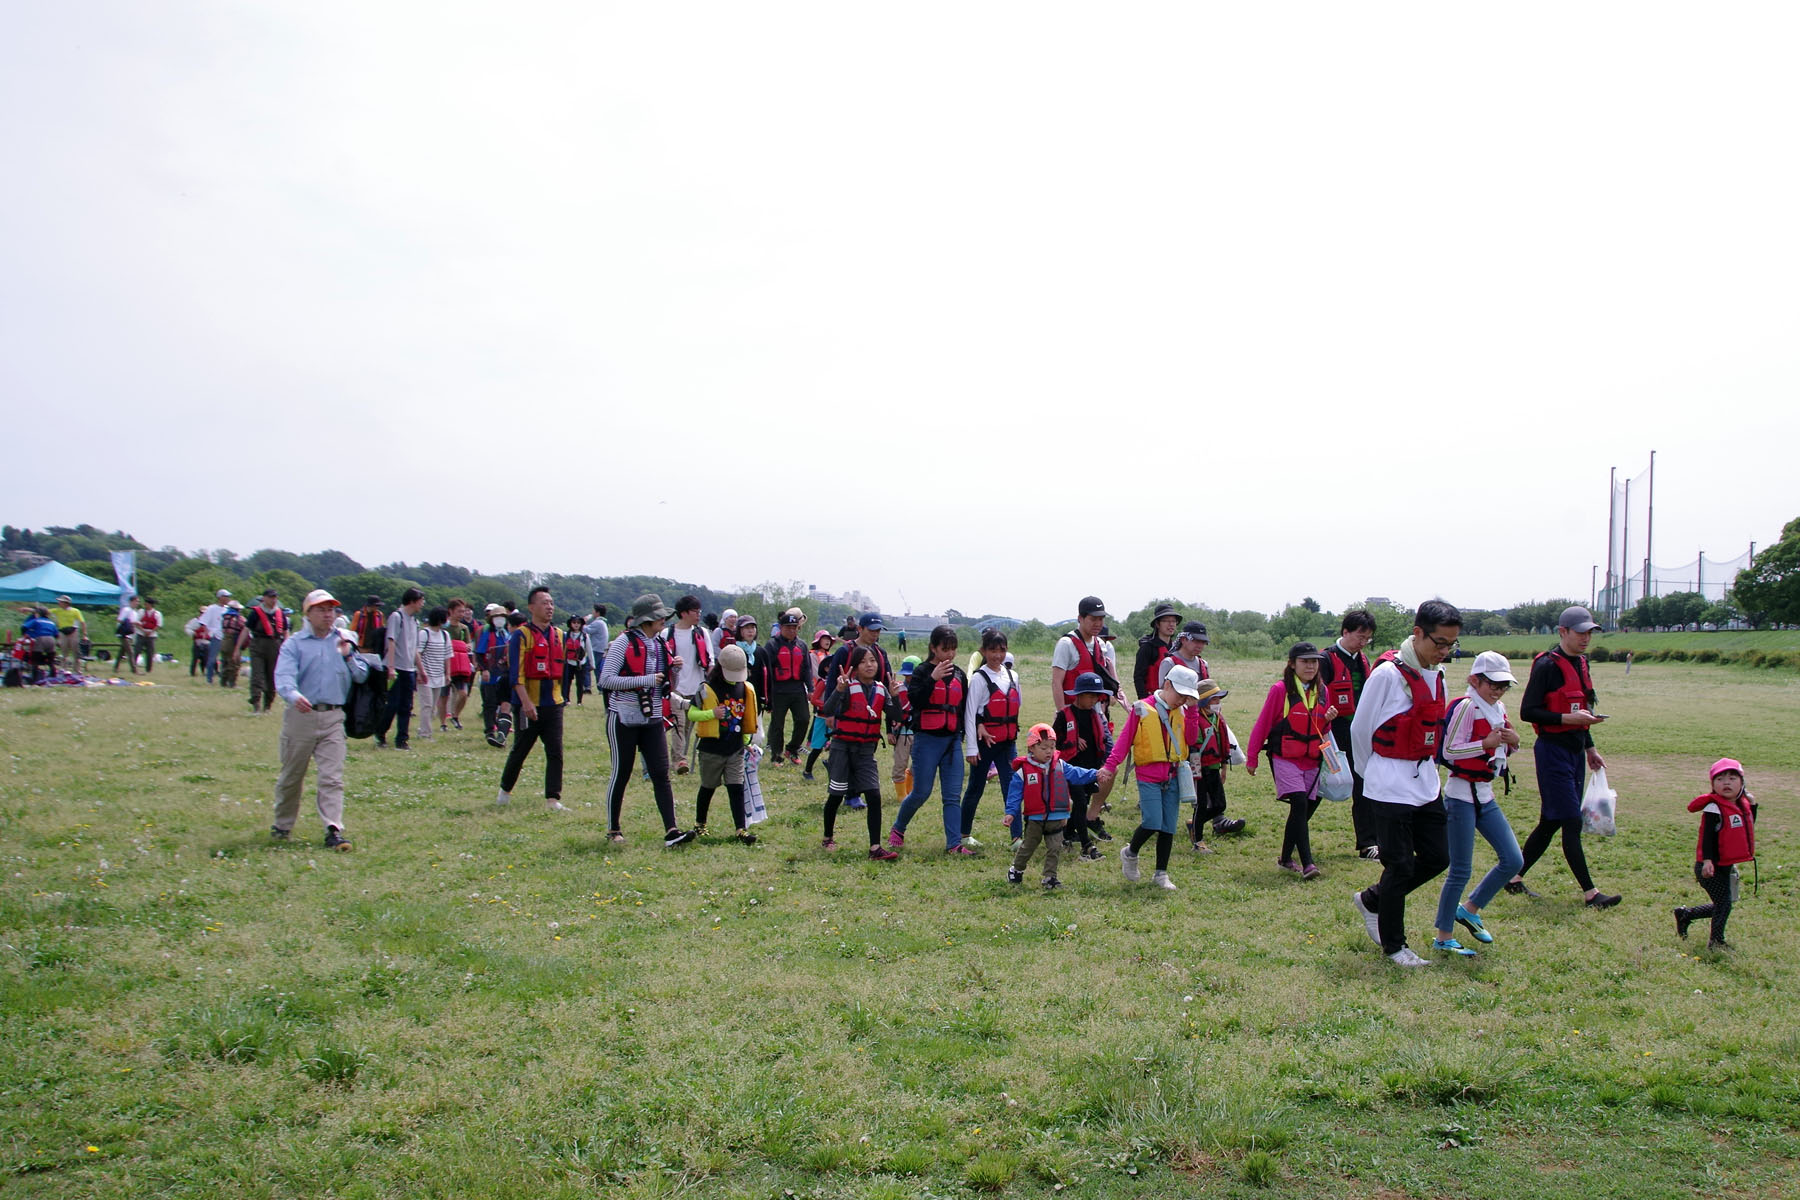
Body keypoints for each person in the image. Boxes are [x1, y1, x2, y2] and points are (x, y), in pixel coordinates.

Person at [1349, 600, 1458, 967]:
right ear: (1417, 633)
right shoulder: (1387, 675)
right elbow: (1360, 730)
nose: (1443, 651)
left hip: (1425, 780)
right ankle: (1395, 946)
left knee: (1438, 857)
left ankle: (1373, 899)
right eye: (1439, 643)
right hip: (1388, 780)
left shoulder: (1437, 673)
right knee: (1400, 866)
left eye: (1450, 645)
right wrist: (1372, 776)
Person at [1506, 605, 1621, 908]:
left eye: (1589, 632)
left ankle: (1513, 877)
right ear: (1563, 632)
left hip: (1575, 751)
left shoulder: (1582, 663)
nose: (1586, 638)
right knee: (1571, 820)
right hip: (1552, 751)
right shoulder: (1547, 665)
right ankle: (1591, 894)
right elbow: (1528, 711)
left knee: (1550, 821)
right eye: (1580, 632)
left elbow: (1582, 710)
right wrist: (1566, 720)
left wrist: (1590, 747)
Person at [1430, 651, 1525, 957]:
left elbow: (1501, 752)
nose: (1497, 690)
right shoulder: (1465, 706)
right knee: (1460, 869)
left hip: (1485, 795)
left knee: (1513, 860)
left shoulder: (1497, 709)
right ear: (1475, 680)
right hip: (1460, 796)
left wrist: (1514, 741)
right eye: (1492, 684)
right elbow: (1448, 751)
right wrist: (1485, 744)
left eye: (1503, 685)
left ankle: (1469, 909)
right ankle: (1443, 936)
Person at [270, 590, 369, 852]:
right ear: (308, 613)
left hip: (333, 716)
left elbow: (361, 676)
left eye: (332, 609)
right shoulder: (294, 644)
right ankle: (282, 824)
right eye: (321, 609)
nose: (328, 615)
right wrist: (293, 695)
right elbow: (284, 678)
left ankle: (333, 829)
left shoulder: (343, 640)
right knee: (292, 776)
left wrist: (349, 655)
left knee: (332, 777)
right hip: (301, 716)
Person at [598, 593, 694, 848]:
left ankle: (672, 830)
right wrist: (645, 680)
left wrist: (673, 670)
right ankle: (613, 829)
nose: (664, 619)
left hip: (652, 717)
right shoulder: (622, 643)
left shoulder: (659, 644)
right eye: (659, 616)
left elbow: (662, 685)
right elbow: (605, 680)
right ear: (647, 619)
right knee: (621, 773)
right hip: (623, 718)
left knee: (661, 773)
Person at [1096, 665, 1202, 890]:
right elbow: (1124, 741)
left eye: (1187, 697)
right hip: (1148, 776)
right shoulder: (1141, 709)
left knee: (1168, 827)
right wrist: (1109, 767)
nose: (1182, 700)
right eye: (1180, 695)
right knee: (1152, 821)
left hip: (1173, 775)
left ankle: (1161, 874)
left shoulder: (1184, 711)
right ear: (1166, 685)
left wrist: (1192, 711)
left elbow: (1192, 739)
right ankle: (1130, 853)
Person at [1245, 643, 1338, 879]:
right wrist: (1252, 757)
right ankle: (1308, 864)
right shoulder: (1280, 690)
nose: (1310, 666)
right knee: (1298, 803)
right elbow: (1263, 724)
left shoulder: (1323, 691)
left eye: (1314, 661)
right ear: (1292, 663)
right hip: (1285, 756)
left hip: (1312, 758)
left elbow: (1320, 728)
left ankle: (1286, 858)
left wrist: (1328, 720)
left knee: (1303, 810)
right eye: (1305, 661)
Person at [888, 625, 970, 853]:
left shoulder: (959, 674)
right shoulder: (922, 671)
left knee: (952, 796)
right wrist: (932, 679)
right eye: (945, 649)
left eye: (953, 649)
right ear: (933, 648)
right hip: (927, 740)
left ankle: (954, 844)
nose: (950, 654)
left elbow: (962, 708)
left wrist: (962, 734)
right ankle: (898, 828)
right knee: (921, 792)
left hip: (952, 741)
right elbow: (916, 701)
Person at [821, 645, 899, 860]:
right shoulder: (847, 687)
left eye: (873, 660)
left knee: (873, 795)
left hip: (865, 750)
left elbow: (897, 715)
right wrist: (838, 690)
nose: (869, 665)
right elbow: (827, 710)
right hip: (842, 747)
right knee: (836, 795)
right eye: (864, 661)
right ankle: (828, 837)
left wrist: (895, 696)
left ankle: (875, 848)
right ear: (855, 666)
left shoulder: (882, 689)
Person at [1004, 722, 1103, 889]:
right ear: (1031, 749)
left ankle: (1049, 878)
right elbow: (1014, 795)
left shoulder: (1061, 765)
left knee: (1054, 848)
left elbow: (1077, 774)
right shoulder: (1023, 771)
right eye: (1043, 748)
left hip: (1057, 817)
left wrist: (1096, 774)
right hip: (1035, 818)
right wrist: (1010, 813)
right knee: (1028, 846)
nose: (1049, 751)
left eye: (1051, 747)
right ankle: (1016, 869)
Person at [496, 588, 570, 812]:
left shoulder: (559, 634)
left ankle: (552, 799)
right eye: (544, 603)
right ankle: (504, 792)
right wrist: (526, 703)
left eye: (551, 603)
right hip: (527, 704)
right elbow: (515, 674)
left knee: (555, 751)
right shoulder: (521, 635)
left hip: (553, 704)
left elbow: (563, 669)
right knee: (521, 749)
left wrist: (563, 698)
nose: (549, 607)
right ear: (531, 607)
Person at [1675, 758, 1757, 951]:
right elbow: (1707, 837)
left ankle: (1686, 914)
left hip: (1725, 865)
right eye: (1720, 779)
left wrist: (1753, 807)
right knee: (1724, 904)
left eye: (1732, 778)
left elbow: (1748, 826)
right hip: (1709, 866)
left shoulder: (1741, 805)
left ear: (1742, 783)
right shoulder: (1714, 808)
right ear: (1713, 785)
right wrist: (1707, 861)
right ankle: (1716, 941)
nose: (1726, 782)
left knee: (1723, 904)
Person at [686, 643, 762, 844]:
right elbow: (691, 713)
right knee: (708, 787)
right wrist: (712, 714)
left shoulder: (744, 688)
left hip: (735, 749)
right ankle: (700, 824)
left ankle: (741, 829)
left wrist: (746, 741)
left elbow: (746, 718)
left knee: (736, 788)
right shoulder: (706, 688)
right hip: (711, 749)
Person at [1320, 610, 1380, 859]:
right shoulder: (1325, 659)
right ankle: (1295, 836)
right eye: (1360, 636)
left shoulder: (1363, 660)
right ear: (1345, 632)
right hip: (1331, 734)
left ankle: (1367, 843)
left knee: (1363, 783)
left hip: (1358, 734)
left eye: (1367, 638)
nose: (1363, 641)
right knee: (1319, 784)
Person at [960, 629, 1021, 848]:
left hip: (1007, 744)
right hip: (985, 745)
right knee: (975, 789)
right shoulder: (979, 677)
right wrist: (971, 748)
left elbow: (1016, 704)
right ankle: (964, 834)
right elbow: (970, 712)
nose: (997, 655)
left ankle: (1017, 838)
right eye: (992, 650)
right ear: (984, 651)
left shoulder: (1012, 676)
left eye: (1002, 650)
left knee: (1012, 788)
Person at [1054, 672, 1112, 859]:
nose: (1095, 699)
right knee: (1079, 802)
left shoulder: (1095, 715)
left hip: (1089, 769)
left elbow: (1101, 742)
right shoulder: (1064, 715)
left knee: (1084, 801)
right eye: (1091, 695)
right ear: (1079, 694)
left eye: (1097, 695)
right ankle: (1087, 846)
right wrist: (1071, 741)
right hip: (1070, 769)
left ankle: (1068, 834)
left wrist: (1101, 766)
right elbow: (1052, 743)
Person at [661, 595, 713, 776]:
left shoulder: (702, 633)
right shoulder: (666, 634)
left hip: (696, 688)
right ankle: (679, 760)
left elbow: (710, 661)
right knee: (678, 725)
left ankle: (678, 757)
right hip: (676, 688)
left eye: (699, 611)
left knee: (688, 727)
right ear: (683, 613)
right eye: (694, 611)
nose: (698, 615)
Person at [1185, 678, 1235, 851]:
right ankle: (1198, 841)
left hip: (1214, 767)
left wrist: (1224, 768)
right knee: (1201, 805)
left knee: (1220, 805)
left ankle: (1195, 823)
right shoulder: (1195, 718)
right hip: (1200, 768)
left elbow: (1224, 743)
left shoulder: (1218, 718)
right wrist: (1195, 773)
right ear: (1204, 700)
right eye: (1215, 699)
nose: (1218, 703)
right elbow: (1192, 744)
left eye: (1219, 699)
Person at [1052, 597, 1122, 719]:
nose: (1098, 624)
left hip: (1097, 715)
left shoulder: (1100, 644)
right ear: (1080, 618)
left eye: (1101, 619)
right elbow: (1056, 682)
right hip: (1073, 713)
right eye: (1093, 619)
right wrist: (1063, 716)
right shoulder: (1066, 644)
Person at [375, 588, 426, 750]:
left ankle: (402, 740)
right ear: (412, 601)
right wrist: (390, 667)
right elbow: (391, 642)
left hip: (409, 669)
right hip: (395, 667)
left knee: (407, 705)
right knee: (392, 704)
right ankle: (380, 733)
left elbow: (414, 649)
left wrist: (421, 670)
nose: (422, 604)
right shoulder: (397, 617)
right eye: (420, 600)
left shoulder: (415, 622)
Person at [763, 608, 815, 766]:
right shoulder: (772, 645)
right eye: (788, 627)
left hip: (797, 688)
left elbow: (806, 668)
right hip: (778, 689)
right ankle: (776, 755)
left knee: (804, 719)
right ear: (781, 628)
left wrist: (810, 688)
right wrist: (767, 695)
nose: (792, 630)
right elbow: (767, 671)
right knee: (777, 724)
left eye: (794, 627)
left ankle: (792, 749)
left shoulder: (802, 645)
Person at [240, 588, 291, 713]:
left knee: (272, 676)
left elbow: (285, 632)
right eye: (270, 597)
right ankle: (256, 703)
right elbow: (246, 630)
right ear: (264, 598)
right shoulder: (256, 613)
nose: (273, 600)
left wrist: (287, 648)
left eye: (275, 597)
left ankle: (268, 705)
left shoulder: (280, 613)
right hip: (258, 644)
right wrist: (238, 648)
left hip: (275, 645)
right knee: (257, 675)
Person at [800, 629, 837, 780]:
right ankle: (807, 770)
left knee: (836, 745)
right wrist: (826, 705)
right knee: (817, 746)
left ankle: (831, 764)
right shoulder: (823, 682)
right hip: (822, 717)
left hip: (835, 718)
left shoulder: (836, 683)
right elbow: (814, 699)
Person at [476, 603, 514, 746]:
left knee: (505, 704)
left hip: (504, 674)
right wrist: (484, 669)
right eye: (496, 617)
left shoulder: (508, 634)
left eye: (502, 617)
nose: (499, 620)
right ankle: (490, 731)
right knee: (490, 703)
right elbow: (479, 653)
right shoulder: (488, 633)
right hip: (490, 674)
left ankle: (502, 731)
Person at [1132, 603, 1183, 699]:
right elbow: (1139, 676)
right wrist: (1144, 700)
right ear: (1157, 624)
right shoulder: (1147, 647)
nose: (1171, 624)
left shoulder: (1176, 648)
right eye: (1166, 621)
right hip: (1153, 698)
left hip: (1173, 699)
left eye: (1173, 621)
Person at [416, 607, 452, 738]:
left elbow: (447, 655)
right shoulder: (424, 633)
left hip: (439, 675)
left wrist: (448, 674)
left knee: (432, 707)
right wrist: (420, 672)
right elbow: (418, 653)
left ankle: (424, 729)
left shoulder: (445, 635)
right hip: (425, 675)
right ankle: (426, 733)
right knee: (426, 705)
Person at [445, 599, 476, 727]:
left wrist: (467, 647)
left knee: (463, 694)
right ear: (451, 611)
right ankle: (442, 721)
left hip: (460, 664)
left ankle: (455, 715)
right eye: (459, 611)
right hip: (445, 663)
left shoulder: (464, 629)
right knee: (443, 695)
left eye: (463, 611)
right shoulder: (444, 627)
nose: (462, 614)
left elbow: (468, 644)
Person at [199, 590, 230, 682]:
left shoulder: (228, 609)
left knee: (226, 658)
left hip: (226, 636)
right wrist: (207, 632)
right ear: (220, 597)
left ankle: (224, 677)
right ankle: (209, 678)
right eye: (225, 596)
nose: (227, 598)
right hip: (215, 635)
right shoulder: (212, 608)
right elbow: (203, 622)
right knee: (212, 658)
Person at [50, 595, 86, 677]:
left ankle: (77, 670)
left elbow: (82, 622)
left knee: (75, 651)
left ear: (66, 603)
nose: (59, 603)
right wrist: (28, 609)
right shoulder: (57, 611)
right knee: (64, 651)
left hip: (73, 631)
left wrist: (84, 635)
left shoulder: (75, 611)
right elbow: (44, 611)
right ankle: (63, 669)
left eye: (60, 601)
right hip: (63, 631)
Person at [22, 607, 59, 683]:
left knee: (35, 659)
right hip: (51, 639)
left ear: (38, 614)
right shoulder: (51, 622)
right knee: (51, 659)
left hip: (40, 639)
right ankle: (53, 677)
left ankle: (34, 679)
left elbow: (24, 627)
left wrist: (24, 635)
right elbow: (56, 634)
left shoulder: (36, 620)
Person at [217, 600, 247, 689]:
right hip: (233, 642)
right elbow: (246, 626)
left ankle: (223, 681)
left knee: (225, 661)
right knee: (234, 662)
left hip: (224, 640)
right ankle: (232, 683)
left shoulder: (225, 617)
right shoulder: (239, 618)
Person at [562, 615, 589, 706]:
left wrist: (592, 664)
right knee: (567, 682)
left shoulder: (585, 636)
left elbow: (589, 650)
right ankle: (567, 699)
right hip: (569, 662)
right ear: (570, 624)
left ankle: (579, 701)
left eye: (578, 623)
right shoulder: (566, 635)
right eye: (574, 622)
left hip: (581, 663)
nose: (576, 624)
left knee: (580, 683)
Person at [131, 596, 162, 675]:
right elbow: (136, 622)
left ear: (150, 604)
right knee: (137, 651)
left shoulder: (157, 614)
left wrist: (151, 632)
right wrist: (143, 630)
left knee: (150, 652)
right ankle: (133, 667)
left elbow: (158, 625)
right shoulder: (141, 612)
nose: (145, 605)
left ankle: (149, 669)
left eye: (146, 603)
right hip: (141, 634)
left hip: (151, 635)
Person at [111, 596, 139, 676]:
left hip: (130, 634)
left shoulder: (135, 612)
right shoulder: (126, 610)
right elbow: (119, 619)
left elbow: (134, 623)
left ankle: (116, 667)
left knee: (122, 652)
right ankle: (134, 670)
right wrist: (129, 623)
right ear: (132, 601)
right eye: (136, 601)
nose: (137, 603)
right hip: (123, 634)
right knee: (130, 652)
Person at [185, 606, 211, 678]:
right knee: (195, 658)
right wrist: (193, 633)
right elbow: (188, 628)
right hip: (197, 642)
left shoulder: (210, 622)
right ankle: (192, 672)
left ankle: (205, 672)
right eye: (202, 613)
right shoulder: (195, 621)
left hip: (207, 642)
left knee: (206, 658)